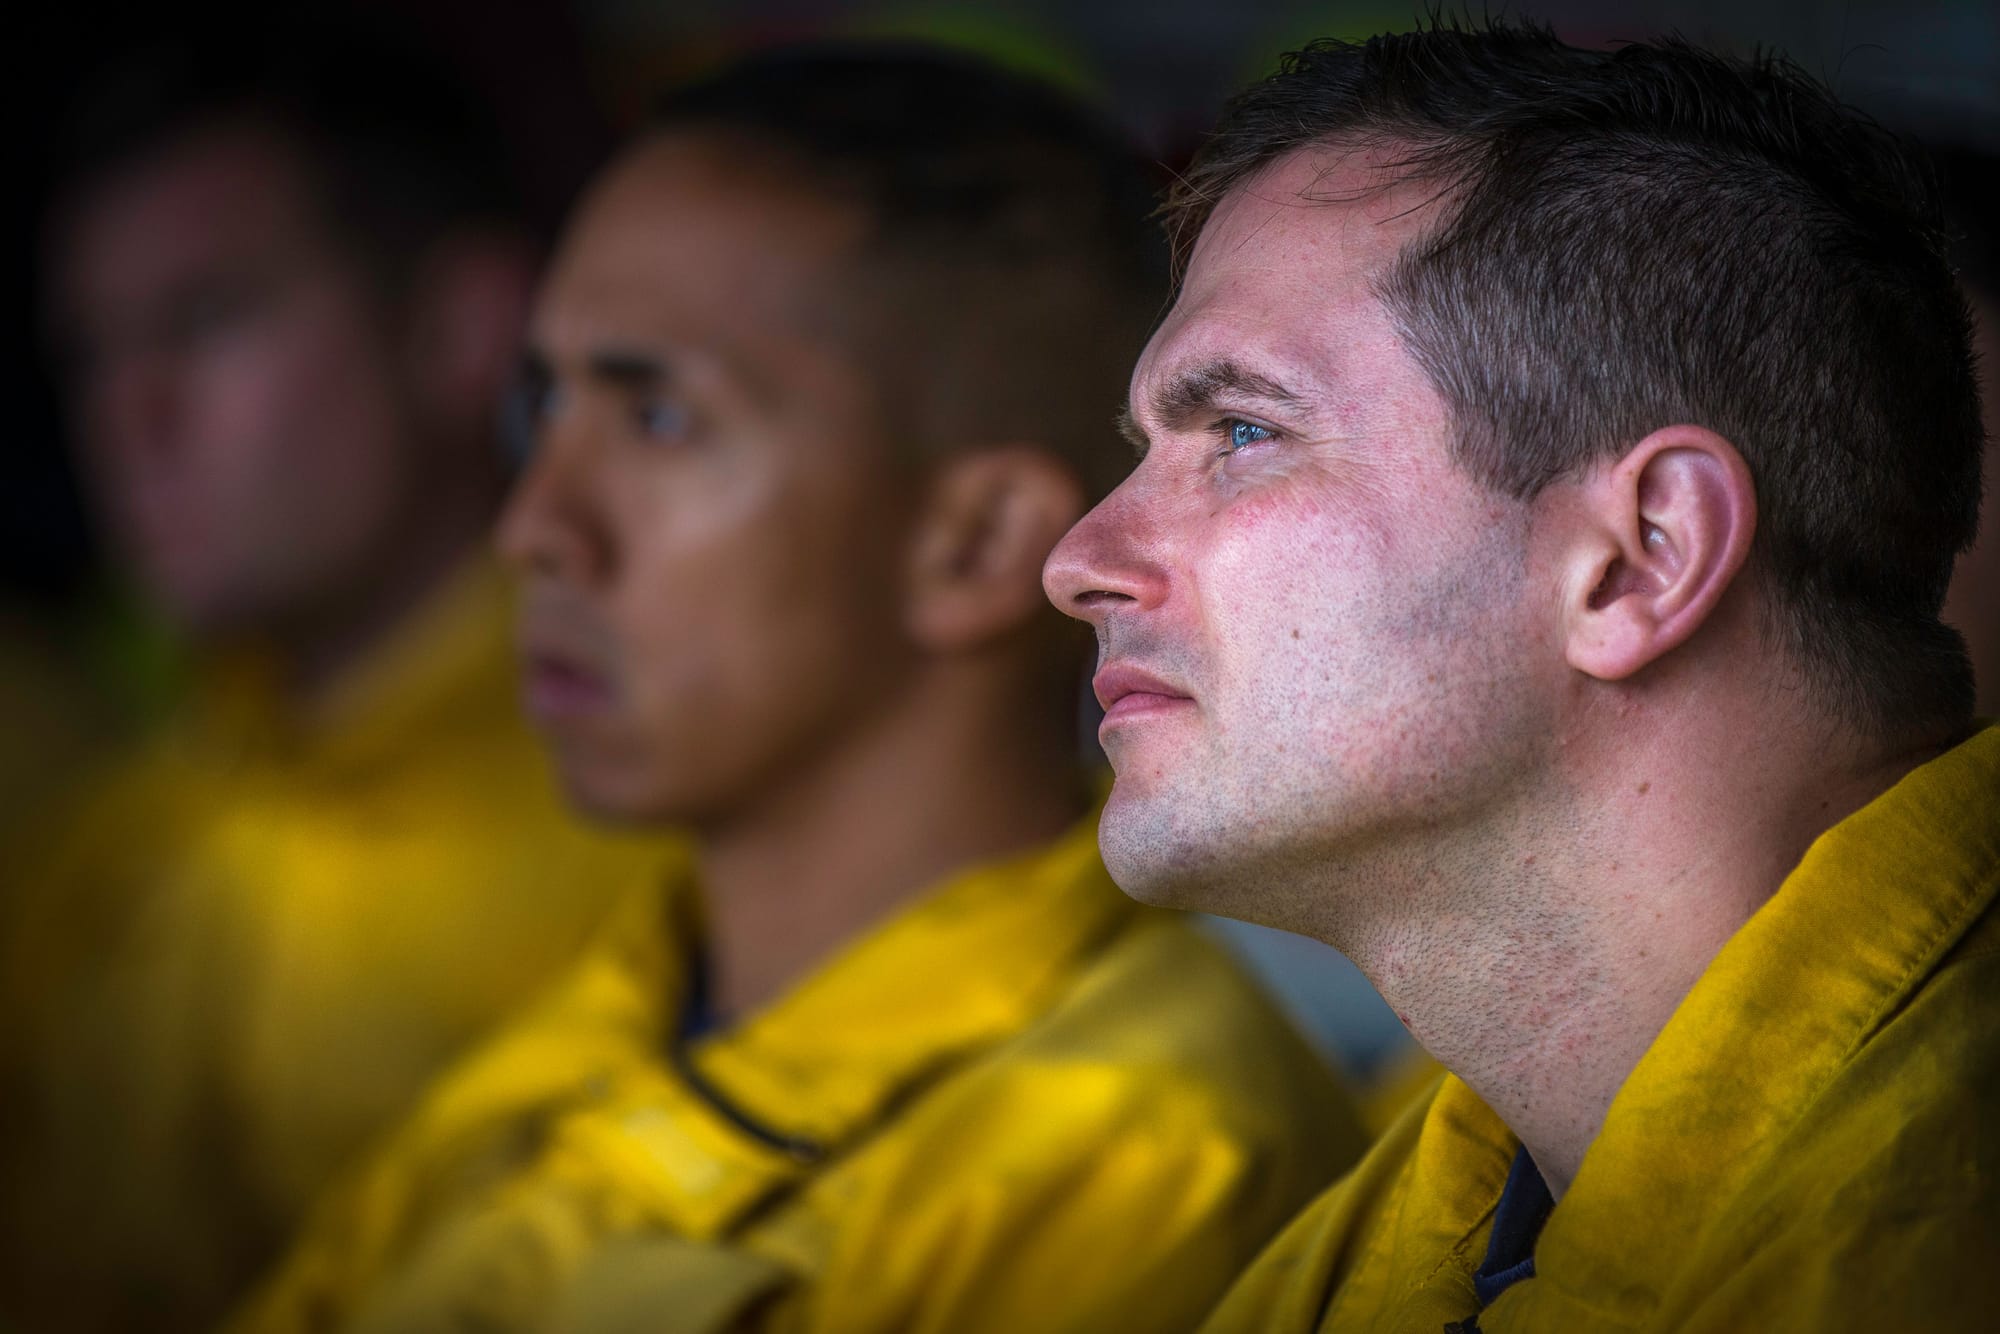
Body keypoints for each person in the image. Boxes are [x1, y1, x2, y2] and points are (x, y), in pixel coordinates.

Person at [227, 44, 1367, 1334]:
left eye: (658, 420)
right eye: (541, 413)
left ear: (981, 544)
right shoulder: (607, 1026)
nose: (536, 529)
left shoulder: (1141, 1155)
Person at [1043, 20, 1998, 1332]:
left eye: (1244, 433)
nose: (1079, 561)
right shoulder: (1426, 1232)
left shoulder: (1930, 1248)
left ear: (1637, 560)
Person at [0, 31, 673, 1332]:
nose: (129, 412)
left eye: (204, 319)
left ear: (458, 326)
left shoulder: (654, 834)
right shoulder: (115, 840)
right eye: (90, 353)